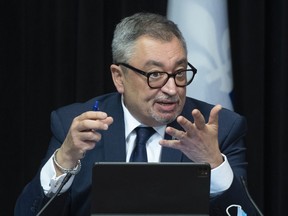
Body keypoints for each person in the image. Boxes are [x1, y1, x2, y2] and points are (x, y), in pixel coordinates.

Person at [15, 12, 258, 215]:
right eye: (155, 75)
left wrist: (214, 164)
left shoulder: (221, 128)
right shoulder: (75, 125)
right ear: (119, 77)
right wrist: (64, 159)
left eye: (180, 73)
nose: (172, 89)